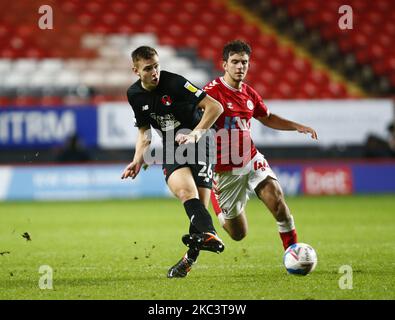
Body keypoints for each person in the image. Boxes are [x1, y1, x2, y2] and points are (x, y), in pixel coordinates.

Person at [204, 40, 317, 255]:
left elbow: (266, 117)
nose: (240, 67)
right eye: (235, 62)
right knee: (238, 233)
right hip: (225, 171)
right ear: (224, 65)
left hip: (250, 158)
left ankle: (292, 252)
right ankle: (217, 202)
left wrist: (296, 126)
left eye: (244, 62)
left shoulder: (249, 93)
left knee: (277, 202)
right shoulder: (210, 93)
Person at [121, 46, 225, 278]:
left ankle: (189, 259)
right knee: (187, 195)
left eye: (156, 66)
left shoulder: (176, 83)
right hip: (172, 145)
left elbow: (215, 107)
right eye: (148, 68)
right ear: (136, 70)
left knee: (199, 211)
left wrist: (195, 134)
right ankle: (210, 233)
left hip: (201, 139)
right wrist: (137, 159)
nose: (155, 72)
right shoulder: (134, 95)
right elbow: (144, 132)